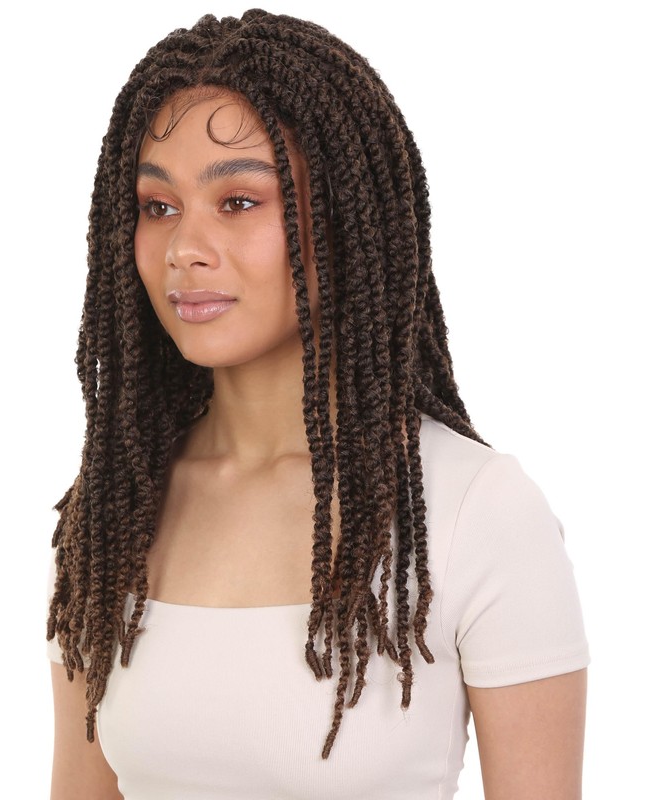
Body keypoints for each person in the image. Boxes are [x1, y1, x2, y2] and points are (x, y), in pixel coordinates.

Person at [46, 10, 589, 799]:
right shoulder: (116, 510)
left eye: (239, 201)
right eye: (158, 207)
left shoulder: (475, 511)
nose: (184, 250)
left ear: (342, 217)